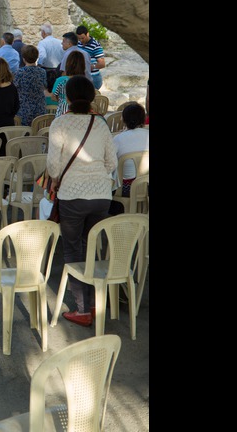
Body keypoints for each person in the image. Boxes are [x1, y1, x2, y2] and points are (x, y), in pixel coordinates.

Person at [46, 75, 117, 327]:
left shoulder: (60, 124)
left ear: (66, 97)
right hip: (100, 196)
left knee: (72, 249)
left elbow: (53, 166)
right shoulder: (101, 124)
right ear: (91, 97)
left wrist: (56, 179)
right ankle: (96, 301)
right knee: (90, 246)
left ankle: (83, 307)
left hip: (72, 196)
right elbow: (112, 163)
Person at [112, 102, 149, 196]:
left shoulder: (118, 139)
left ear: (123, 120)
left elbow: (110, 164)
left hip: (125, 189)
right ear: (143, 119)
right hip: (147, 185)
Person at [13, 44, 49, 126]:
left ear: (24, 59)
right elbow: (44, 86)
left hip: (24, 110)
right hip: (40, 109)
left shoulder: (20, 72)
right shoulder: (42, 72)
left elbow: (15, 88)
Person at [51, 50, 87, 118]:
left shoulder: (60, 80)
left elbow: (53, 97)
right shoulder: (85, 81)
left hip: (62, 114)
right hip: (80, 114)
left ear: (68, 64)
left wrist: (62, 99)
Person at [76, 24, 106, 90]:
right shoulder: (78, 44)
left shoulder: (95, 45)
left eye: (82, 38)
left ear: (87, 34)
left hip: (93, 77)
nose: (81, 40)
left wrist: (91, 67)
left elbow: (102, 64)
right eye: (79, 38)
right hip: (81, 77)